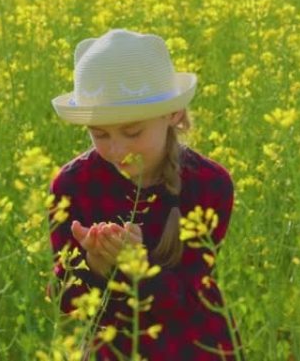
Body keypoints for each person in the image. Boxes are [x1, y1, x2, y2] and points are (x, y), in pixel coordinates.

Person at [48, 29, 241, 360]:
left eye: (132, 131)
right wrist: (93, 266)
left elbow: (189, 301)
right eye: (100, 134)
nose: (117, 148)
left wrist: (139, 265)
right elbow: (65, 301)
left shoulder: (209, 184)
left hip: (196, 348)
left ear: (173, 114)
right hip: (115, 350)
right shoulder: (72, 185)